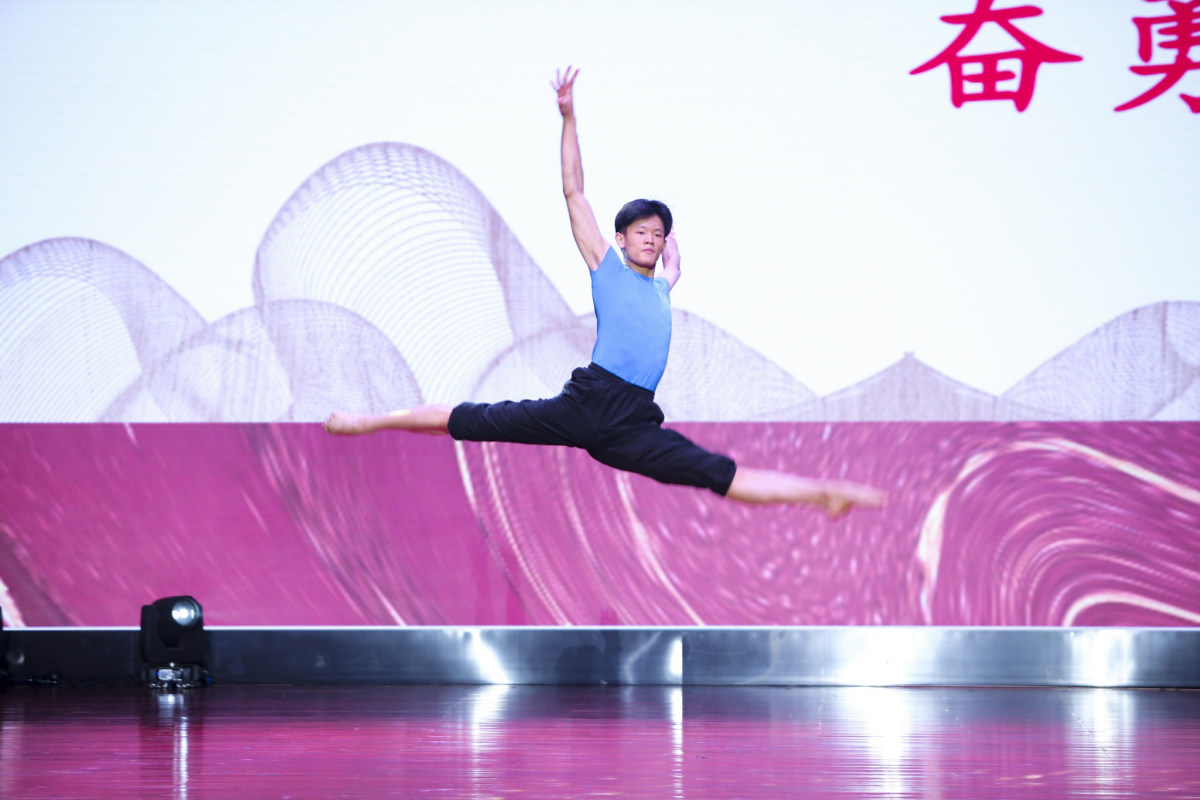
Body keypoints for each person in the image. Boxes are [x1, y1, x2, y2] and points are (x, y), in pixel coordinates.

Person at [325, 67, 885, 518]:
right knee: (468, 419)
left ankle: (822, 494)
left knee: (715, 473)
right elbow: (573, 192)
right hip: (586, 403)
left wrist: (673, 254)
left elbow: (674, 264)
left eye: (658, 234)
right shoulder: (607, 269)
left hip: (632, 425)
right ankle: (367, 421)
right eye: (641, 231)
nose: (651, 239)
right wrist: (568, 118)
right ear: (620, 240)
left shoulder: (663, 285)